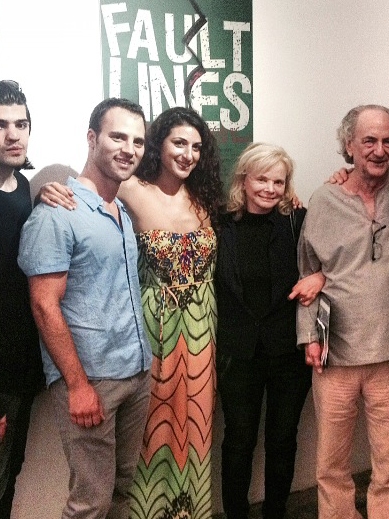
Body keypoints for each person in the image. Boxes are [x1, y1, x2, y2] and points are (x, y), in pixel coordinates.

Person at [40, 106, 224, 518]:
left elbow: (265, 199)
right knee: (144, 450)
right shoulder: (131, 190)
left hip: (199, 343)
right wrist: (44, 190)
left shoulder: (206, 197)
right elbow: (84, 188)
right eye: (179, 142)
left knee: (193, 438)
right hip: (149, 338)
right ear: (159, 145)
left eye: (197, 147)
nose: (188, 154)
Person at [297, 104, 389, 519]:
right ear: (349, 145)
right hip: (335, 354)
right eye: (368, 141)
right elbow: (309, 269)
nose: (379, 150)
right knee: (332, 461)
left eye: (387, 141)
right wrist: (308, 334)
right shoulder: (325, 199)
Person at [17, 98, 153, 518]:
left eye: (138, 141)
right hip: (90, 378)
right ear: (92, 139)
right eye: (117, 136)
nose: (128, 148)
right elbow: (43, 305)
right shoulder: (57, 214)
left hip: (135, 371)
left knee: (124, 488)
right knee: (90, 500)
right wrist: (77, 386)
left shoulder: (121, 211)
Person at [216, 142, 320, 519]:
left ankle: (276, 512)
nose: (270, 189)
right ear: (244, 180)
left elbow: (333, 253)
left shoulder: (297, 220)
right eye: (262, 179)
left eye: (279, 181)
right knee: (238, 442)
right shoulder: (218, 222)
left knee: (282, 440)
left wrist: (321, 276)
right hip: (237, 353)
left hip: (287, 353)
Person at [0, 80, 44, 517]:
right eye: (0, 125)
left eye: (21, 124)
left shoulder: (25, 189)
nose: (14, 134)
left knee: (10, 469)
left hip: (19, 366)